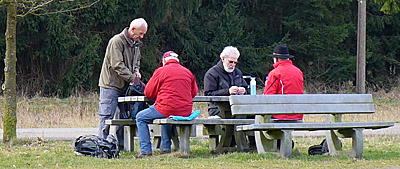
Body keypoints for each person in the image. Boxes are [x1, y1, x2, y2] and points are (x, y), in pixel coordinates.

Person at [135, 51, 198, 158]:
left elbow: (148, 92)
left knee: (140, 117)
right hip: (185, 111)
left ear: (164, 61)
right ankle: (165, 148)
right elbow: (194, 92)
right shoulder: (188, 72)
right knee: (168, 117)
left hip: (165, 107)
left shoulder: (161, 71)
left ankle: (146, 151)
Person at [97, 18, 148, 148]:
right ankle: (101, 146)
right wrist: (133, 79)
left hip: (126, 86)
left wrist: (136, 71)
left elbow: (137, 62)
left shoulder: (136, 44)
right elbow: (117, 65)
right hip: (111, 85)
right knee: (106, 116)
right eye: (141, 33)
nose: (142, 37)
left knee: (124, 118)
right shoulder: (116, 41)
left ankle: (122, 146)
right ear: (132, 29)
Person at [204, 46, 248, 119]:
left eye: (235, 63)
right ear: (223, 59)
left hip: (237, 107)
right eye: (230, 62)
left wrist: (244, 91)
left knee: (253, 116)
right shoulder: (212, 73)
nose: (233, 65)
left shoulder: (237, 72)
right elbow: (208, 95)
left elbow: (247, 89)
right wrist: (228, 91)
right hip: (217, 109)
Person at [263, 44, 304, 120]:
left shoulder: (275, 73)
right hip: (297, 115)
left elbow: (267, 96)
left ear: (276, 59)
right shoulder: (298, 72)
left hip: (280, 115)